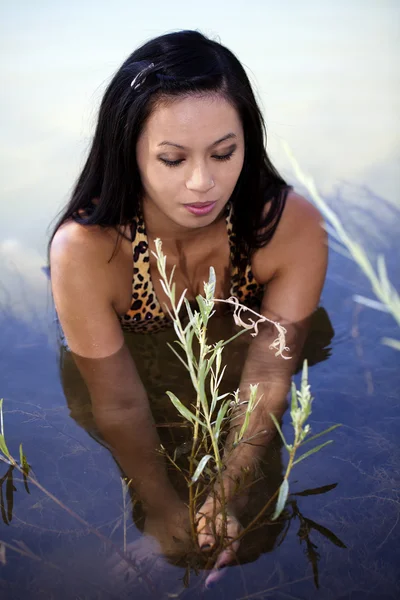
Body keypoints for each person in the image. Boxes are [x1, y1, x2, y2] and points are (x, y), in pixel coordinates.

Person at [49, 29, 328, 581]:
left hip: (238, 359)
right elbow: (121, 404)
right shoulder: (89, 251)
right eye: (172, 159)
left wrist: (228, 491)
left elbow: (269, 374)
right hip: (129, 365)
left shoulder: (288, 227)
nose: (203, 183)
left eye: (224, 153)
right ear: (129, 151)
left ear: (247, 142)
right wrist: (160, 507)